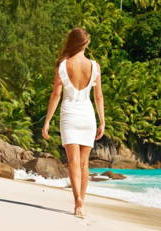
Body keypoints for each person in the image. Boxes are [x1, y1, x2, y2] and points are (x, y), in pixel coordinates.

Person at [42, 27, 105, 218]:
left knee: (73, 162)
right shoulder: (94, 66)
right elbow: (99, 96)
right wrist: (102, 121)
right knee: (84, 164)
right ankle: (81, 202)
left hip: (69, 114)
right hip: (87, 115)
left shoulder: (62, 65)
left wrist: (47, 122)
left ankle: (77, 201)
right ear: (85, 44)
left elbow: (56, 95)